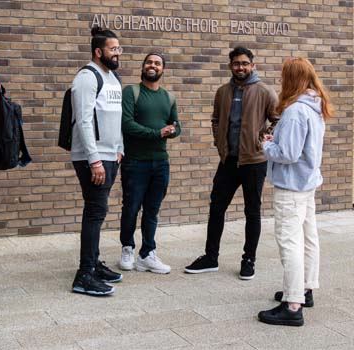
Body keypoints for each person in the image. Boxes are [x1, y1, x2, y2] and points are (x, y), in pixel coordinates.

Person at [184, 46, 279, 280]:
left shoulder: (265, 92)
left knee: (252, 212)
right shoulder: (223, 91)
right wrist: (219, 143)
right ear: (230, 66)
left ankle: (249, 260)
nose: (241, 67)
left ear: (253, 65)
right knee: (216, 208)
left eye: (245, 63)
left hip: (254, 162)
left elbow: (278, 121)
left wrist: (262, 138)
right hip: (228, 161)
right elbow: (216, 120)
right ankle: (210, 257)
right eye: (236, 63)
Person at [258, 58, 333, 326]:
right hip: (307, 184)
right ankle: (305, 289)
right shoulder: (315, 106)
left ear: (292, 79)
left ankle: (292, 305)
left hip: (291, 187)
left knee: (290, 242)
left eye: (284, 76)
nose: (281, 80)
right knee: (308, 237)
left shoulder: (295, 111)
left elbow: (287, 154)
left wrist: (267, 145)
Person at [70, 26, 124, 296]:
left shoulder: (113, 77)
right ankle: (84, 274)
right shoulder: (86, 77)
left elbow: (116, 117)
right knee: (95, 211)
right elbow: (83, 120)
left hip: (110, 155)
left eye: (118, 49)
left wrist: (120, 148)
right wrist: (94, 160)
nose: (117, 53)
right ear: (98, 51)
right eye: (113, 49)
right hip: (93, 158)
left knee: (98, 212)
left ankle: (94, 263)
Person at [118, 52, 180, 273]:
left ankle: (147, 254)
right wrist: (157, 132)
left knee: (152, 210)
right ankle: (127, 248)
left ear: (163, 69)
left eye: (157, 63)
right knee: (131, 208)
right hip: (135, 162)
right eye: (149, 62)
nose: (152, 66)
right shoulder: (131, 92)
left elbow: (177, 126)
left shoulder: (168, 97)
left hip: (160, 163)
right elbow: (126, 124)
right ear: (143, 66)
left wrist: (171, 131)